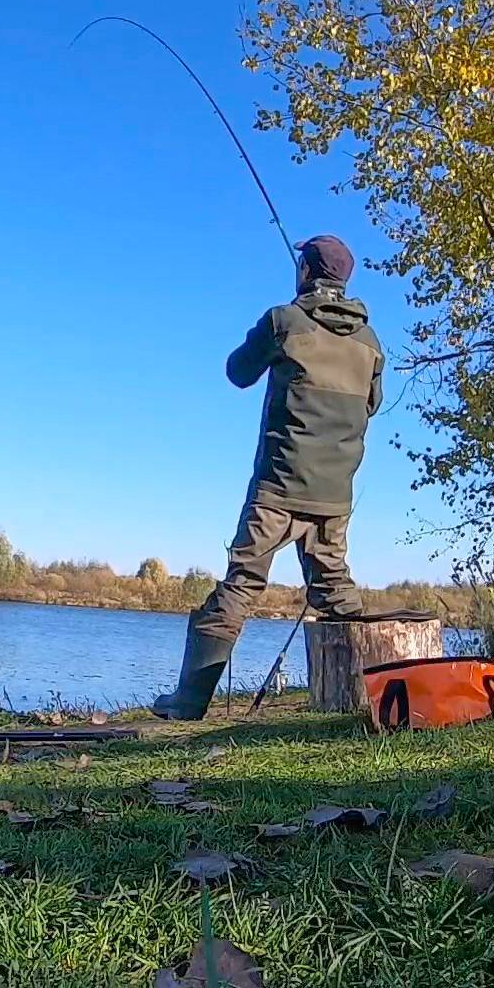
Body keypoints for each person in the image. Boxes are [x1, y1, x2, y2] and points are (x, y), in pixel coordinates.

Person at [152, 235, 384, 720]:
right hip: (334, 496)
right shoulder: (370, 343)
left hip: (277, 488)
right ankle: (375, 700)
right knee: (335, 589)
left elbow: (238, 371)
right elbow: (373, 405)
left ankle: (189, 703)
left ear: (305, 271)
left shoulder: (284, 320)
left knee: (242, 583)